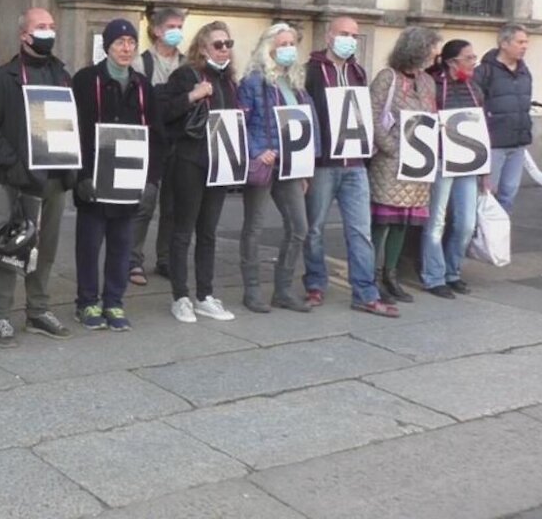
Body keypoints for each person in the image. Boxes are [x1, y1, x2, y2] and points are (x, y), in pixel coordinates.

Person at [0, 7, 75, 348]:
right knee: (11, 248)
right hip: (17, 178)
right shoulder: (4, 78)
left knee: (45, 249)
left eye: (51, 26)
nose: (48, 32)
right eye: (40, 27)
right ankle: (0, 315)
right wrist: (11, 161)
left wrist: (73, 167)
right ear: (24, 35)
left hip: (54, 178)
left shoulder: (62, 74)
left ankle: (38, 310)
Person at [302, 17, 395, 317]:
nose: (350, 40)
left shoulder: (358, 71)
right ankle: (315, 283)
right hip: (323, 164)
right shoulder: (312, 71)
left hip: (355, 164)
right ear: (329, 37)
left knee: (360, 231)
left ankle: (365, 292)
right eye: (344, 34)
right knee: (313, 228)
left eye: (354, 35)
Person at [71, 20, 155, 330]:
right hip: (94, 177)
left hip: (129, 177)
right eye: (119, 42)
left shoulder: (143, 86)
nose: (126, 48)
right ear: (107, 46)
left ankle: (114, 301)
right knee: (89, 244)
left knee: (122, 243)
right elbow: (75, 128)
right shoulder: (85, 80)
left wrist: (151, 179)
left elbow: (154, 135)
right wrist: (79, 175)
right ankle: (87, 302)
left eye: (131, 42)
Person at [157, 21, 239, 323]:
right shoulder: (186, 75)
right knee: (183, 230)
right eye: (218, 44)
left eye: (227, 44)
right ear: (202, 48)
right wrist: (191, 96)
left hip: (220, 162)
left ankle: (205, 294)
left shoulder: (230, 80)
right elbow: (163, 111)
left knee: (208, 232)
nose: (224, 49)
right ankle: (180, 296)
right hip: (190, 160)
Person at [236, 23, 312, 313]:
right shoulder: (253, 81)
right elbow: (241, 122)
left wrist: (305, 167)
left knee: (299, 227)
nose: (288, 49)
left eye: (291, 43)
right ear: (268, 47)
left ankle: (283, 289)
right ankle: (252, 290)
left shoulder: (296, 84)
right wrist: (257, 151)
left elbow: (306, 125)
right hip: (264, 164)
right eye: (282, 44)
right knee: (253, 227)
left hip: (291, 165)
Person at [369, 26, 441, 304]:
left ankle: (391, 275)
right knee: (383, 221)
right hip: (389, 163)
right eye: (433, 46)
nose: (437, 52)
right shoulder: (387, 78)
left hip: (417, 164)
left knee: (404, 221)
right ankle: (373, 276)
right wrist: (391, 147)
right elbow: (372, 116)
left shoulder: (427, 82)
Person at [127, 7, 186, 285]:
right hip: (150, 142)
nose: (178, 31)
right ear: (158, 30)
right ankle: (132, 260)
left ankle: (165, 258)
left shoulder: (187, 64)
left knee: (173, 205)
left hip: (180, 142)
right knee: (145, 202)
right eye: (172, 26)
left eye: (180, 26)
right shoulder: (142, 63)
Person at [421, 39, 483, 298]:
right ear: (451, 62)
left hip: (467, 163)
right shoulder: (433, 87)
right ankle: (434, 277)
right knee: (436, 221)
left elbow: (482, 129)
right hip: (440, 161)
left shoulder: (475, 88)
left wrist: (485, 170)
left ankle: (452, 271)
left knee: (467, 223)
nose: (473, 62)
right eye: (468, 58)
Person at [474, 24, 533, 214]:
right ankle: (478, 239)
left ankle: (498, 237)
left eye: (526, 42)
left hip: (518, 143)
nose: (524, 46)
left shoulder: (525, 72)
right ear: (504, 43)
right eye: (520, 42)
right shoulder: (484, 72)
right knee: (486, 195)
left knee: (509, 194)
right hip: (493, 144)